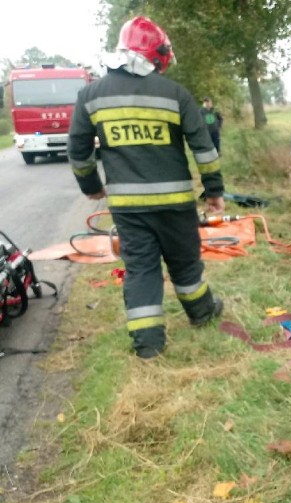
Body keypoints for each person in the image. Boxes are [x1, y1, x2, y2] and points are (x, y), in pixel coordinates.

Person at [68, 16, 225, 360]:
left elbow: (78, 152)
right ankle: (201, 314)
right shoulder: (176, 95)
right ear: (157, 54)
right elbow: (204, 150)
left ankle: (148, 346)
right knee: (185, 264)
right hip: (176, 204)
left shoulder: (90, 95)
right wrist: (214, 191)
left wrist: (91, 186)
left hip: (128, 207)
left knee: (141, 270)